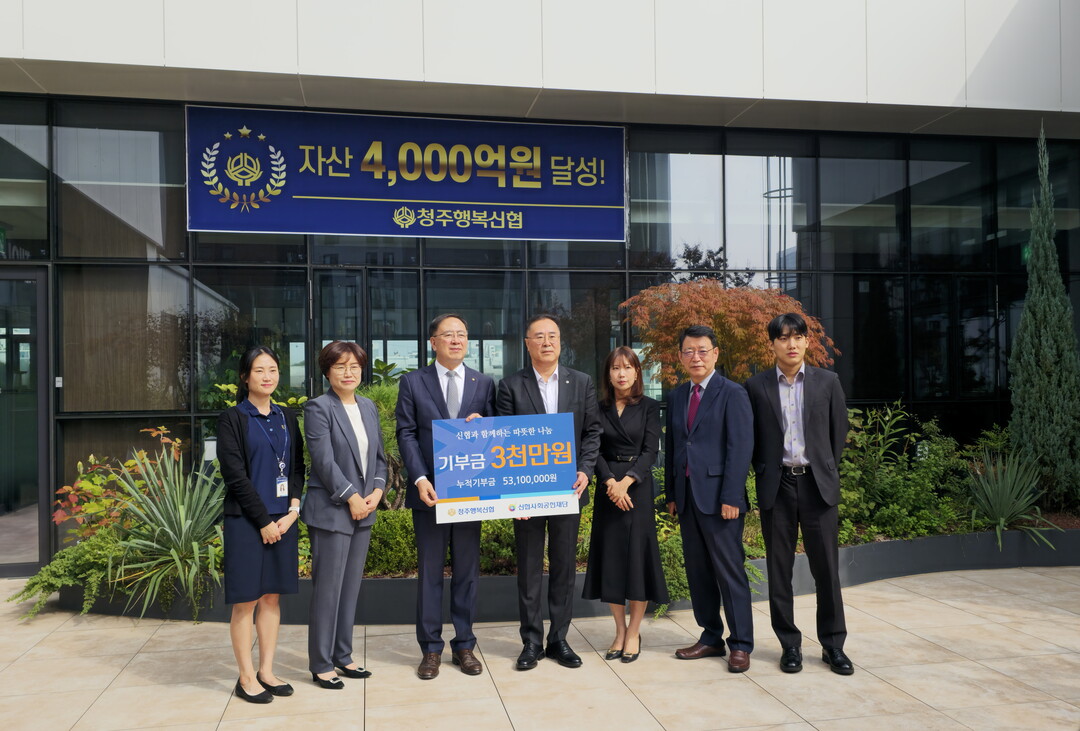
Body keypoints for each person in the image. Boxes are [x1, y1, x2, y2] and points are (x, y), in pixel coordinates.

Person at [744, 313, 853, 675]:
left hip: (817, 485)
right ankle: (789, 645)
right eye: (783, 338)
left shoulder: (828, 382)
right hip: (777, 486)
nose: (791, 344)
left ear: (807, 341)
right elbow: (752, 438)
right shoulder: (756, 386)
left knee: (827, 570)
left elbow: (838, 432)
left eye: (797, 337)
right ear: (772, 344)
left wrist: (823, 467)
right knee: (780, 571)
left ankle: (833, 645)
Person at [496, 314, 602, 670]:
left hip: (568, 489)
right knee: (528, 567)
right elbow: (503, 440)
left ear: (561, 342)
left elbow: (592, 432)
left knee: (564, 566)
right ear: (527, 344)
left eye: (552, 336)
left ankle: (559, 638)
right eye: (538, 336)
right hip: (527, 493)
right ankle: (530, 641)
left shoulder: (581, 382)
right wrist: (514, 493)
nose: (546, 342)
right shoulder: (510, 386)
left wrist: (585, 470)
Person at [395, 314, 496, 680]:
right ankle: (431, 649)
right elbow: (406, 433)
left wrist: (483, 426)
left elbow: (497, 433)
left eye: (462, 334)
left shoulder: (484, 383)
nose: (456, 340)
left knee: (467, 571)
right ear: (433, 342)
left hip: (469, 492)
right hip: (430, 493)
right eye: (448, 334)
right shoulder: (413, 382)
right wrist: (420, 478)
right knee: (430, 572)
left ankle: (464, 645)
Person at [664, 325, 755, 672]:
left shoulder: (732, 393)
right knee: (698, 571)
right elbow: (674, 447)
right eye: (689, 351)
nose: (696, 357)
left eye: (702, 350)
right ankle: (711, 637)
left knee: (729, 572)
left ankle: (741, 644)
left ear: (715, 353)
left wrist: (731, 496)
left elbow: (740, 448)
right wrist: (672, 494)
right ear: (680, 356)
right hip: (688, 498)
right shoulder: (677, 396)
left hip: (721, 501)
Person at [217, 346, 304, 704]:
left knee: (271, 596)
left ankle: (267, 671)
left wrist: (294, 508)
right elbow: (234, 476)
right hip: (247, 521)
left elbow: (297, 467)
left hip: (284, 519)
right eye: (259, 370)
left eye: (272, 370)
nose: (267, 376)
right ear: (245, 377)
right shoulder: (233, 418)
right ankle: (246, 677)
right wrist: (263, 521)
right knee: (246, 600)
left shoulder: (287, 416)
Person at [302, 341, 388, 689]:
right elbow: (323, 462)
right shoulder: (318, 407)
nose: (348, 372)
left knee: (350, 588)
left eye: (354, 366)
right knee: (328, 590)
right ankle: (321, 663)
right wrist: (352, 496)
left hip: (365, 509)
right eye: (340, 366)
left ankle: (343, 655)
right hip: (332, 510)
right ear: (327, 372)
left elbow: (380, 458)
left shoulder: (367, 406)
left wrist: (377, 492)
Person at [582, 346, 668, 664]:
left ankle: (634, 632)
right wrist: (609, 482)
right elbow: (592, 448)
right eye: (615, 368)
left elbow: (650, 450)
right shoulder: (598, 408)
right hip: (608, 489)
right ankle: (619, 631)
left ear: (637, 372)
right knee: (613, 561)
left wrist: (626, 482)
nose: (621, 374)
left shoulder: (648, 406)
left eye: (627, 367)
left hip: (636, 488)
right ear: (608, 374)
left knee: (637, 560)